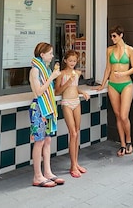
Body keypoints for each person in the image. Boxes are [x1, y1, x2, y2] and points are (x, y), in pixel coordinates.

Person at [97, 25, 133, 157]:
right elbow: (108, 68)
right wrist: (102, 85)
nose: (112, 38)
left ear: (121, 35)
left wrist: (124, 73)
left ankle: (129, 141)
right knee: (118, 115)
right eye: (111, 36)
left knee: (124, 115)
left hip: (126, 84)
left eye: (114, 36)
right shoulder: (109, 50)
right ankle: (123, 144)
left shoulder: (130, 49)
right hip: (113, 84)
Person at [28, 42, 65, 188]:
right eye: (50, 53)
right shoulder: (35, 70)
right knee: (39, 141)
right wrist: (53, 77)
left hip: (48, 108)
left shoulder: (46, 69)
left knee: (47, 140)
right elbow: (38, 91)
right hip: (39, 108)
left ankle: (47, 172)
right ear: (42, 55)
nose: (52, 55)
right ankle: (37, 176)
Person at [55, 50, 90, 177]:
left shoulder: (77, 73)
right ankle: (72, 166)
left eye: (74, 61)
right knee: (73, 133)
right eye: (70, 61)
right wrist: (67, 82)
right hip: (67, 103)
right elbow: (57, 92)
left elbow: (74, 88)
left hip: (76, 101)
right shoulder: (61, 74)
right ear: (65, 61)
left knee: (77, 131)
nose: (72, 63)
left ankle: (76, 163)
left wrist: (83, 92)